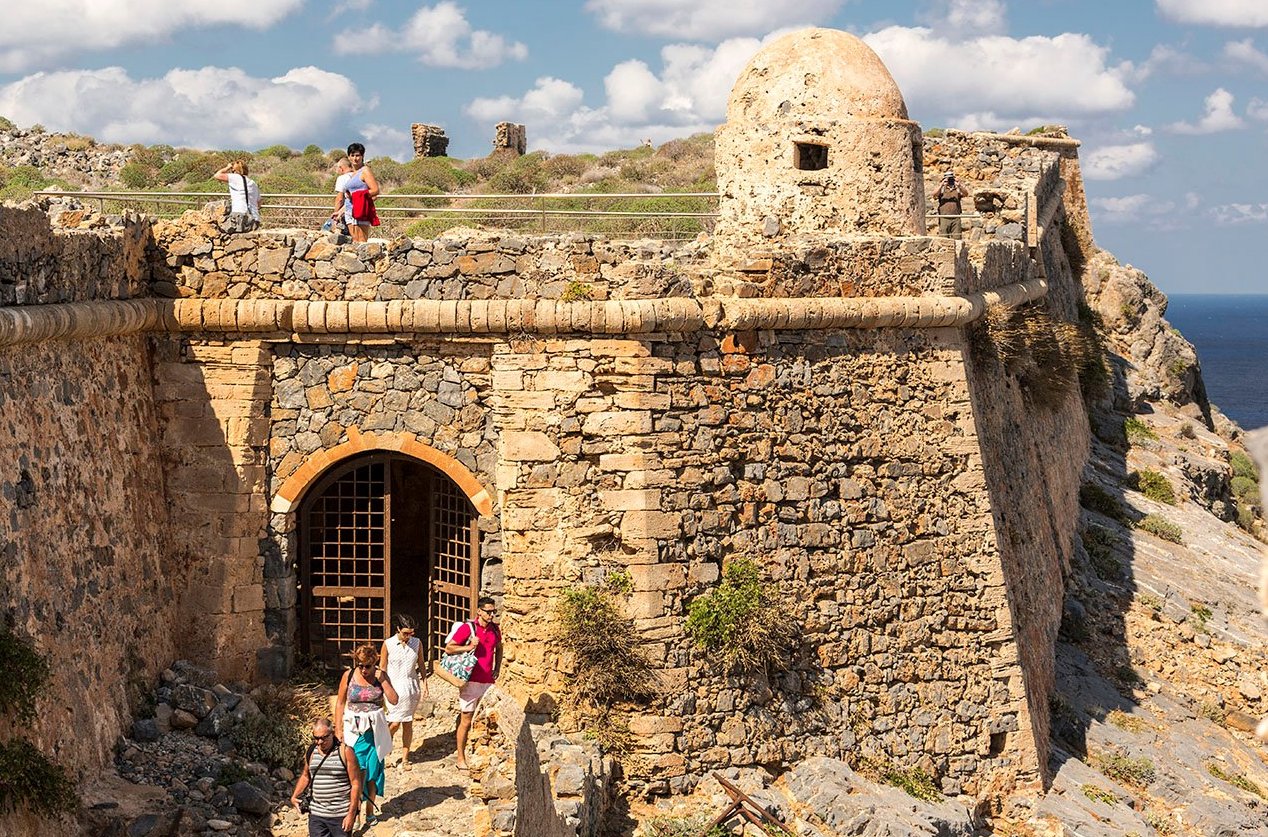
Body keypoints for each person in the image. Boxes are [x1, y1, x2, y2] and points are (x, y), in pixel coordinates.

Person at [334, 644, 398, 823]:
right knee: (355, 772)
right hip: (354, 732)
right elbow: (340, 703)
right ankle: (354, 811)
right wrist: (338, 729)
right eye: (360, 665)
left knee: (372, 773)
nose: (363, 669)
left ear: (374, 663)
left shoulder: (380, 676)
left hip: (374, 733)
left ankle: (369, 810)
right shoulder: (348, 676)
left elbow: (394, 700)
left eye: (367, 666)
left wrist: (383, 681)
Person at [447, 596, 502, 771]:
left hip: (488, 681)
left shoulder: (495, 629)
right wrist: (469, 647)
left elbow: (499, 648)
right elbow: (449, 648)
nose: (491, 614)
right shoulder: (468, 628)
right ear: (479, 611)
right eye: (488, 611)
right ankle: (460, 757)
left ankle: (481, 754)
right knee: (466, 719)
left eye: (493, 611)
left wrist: (498, 667)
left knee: (486, 719)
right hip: (470, 681)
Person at [289, 718, 362, 837]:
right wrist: (294, 796)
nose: (320, 742)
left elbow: (355, 783)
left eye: (324, 737)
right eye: (316, 738)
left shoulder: (345, 752)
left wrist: (351, 814)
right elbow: (305, 775)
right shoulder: (312, 751)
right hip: (317, 814)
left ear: (332, 734)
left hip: (340, 814)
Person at [380, 614, 428, 764]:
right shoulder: (388, 644)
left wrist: (425, 683)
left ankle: (405, 758)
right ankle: (383, 751)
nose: (408, 636)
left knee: (408, 722)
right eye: (405, 633)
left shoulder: (417, 643)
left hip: (412, 687)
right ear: (398, 629)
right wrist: (382, 687)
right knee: (394, 722)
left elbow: (421, 663)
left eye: (411, 633)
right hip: (393, 688)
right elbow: (382, 667)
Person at [340, 142, 379, 243]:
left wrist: (357, 196)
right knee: (355, 241)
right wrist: (340, 211)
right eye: (352, 155)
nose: (355, 158)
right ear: (348, 157)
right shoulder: (352, 174)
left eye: (358, 155)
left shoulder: (365, 171)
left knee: (362, 242)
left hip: (361, 210)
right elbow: (349, 197)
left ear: (362, 156)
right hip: (349, 211)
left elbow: (375, 190)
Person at [214, 159, 261, 233]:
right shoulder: (253, 183)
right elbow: (259, 203)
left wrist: (227, 167)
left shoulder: (234, 178)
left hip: (240, 218)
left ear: (234, 171)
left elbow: (217, 175)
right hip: (255, 219)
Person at [934, 171, 970, 240]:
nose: (950, 181)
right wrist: (941, 185)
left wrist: (959, 185)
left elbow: (966, 194)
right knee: (943, 239)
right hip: (944, 217)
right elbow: (934, 195)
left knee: (957, 239)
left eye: (951, 179)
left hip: (956, 217)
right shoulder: (942, 189)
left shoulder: (957, 188)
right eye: (948, 179)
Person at [323, 157, 353, 235]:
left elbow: (339, 199)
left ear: (341, 168)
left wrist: (336, 213)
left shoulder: (342, 178)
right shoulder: (357, 176)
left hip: (348, 211)